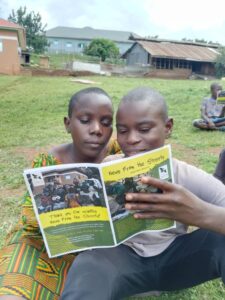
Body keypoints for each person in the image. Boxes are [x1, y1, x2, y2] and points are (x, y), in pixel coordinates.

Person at [61, 87, 225, 300]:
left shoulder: (183, 174)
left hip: (177, 262)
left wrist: (197, 212)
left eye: (144, 129)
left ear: (167, 127)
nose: (132, 139)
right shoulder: (108, 168)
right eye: (122, 130)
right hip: (122, 264)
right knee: (87, 263)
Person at [0, 87, 121, 300]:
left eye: (105, 122)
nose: (96, 130)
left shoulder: (118, 153)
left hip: (95, 249)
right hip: (44, 244)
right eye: (85, 120)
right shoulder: (47, 163)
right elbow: (30, 219)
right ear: (68, 124)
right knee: (13, 287)